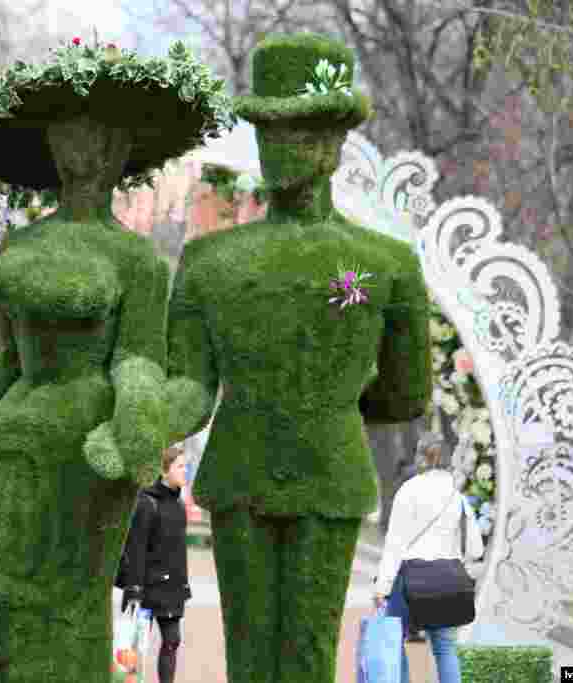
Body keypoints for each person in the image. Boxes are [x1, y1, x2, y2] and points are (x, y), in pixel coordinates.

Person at [0, 40, 233, 683]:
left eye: (99, 136)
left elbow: (138, 360)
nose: (83, 149)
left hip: (88, 448)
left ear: (122, 152)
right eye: (69, 134)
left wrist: (135, 423)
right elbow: (6, 364)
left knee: (72, 598)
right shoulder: (21, 243)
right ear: (52, 144)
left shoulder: (137, 260)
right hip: (14, 436)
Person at [163, 33, 432, 683]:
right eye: (270, 130)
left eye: (300, 130)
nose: (282, 146)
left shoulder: (386, 264)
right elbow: (188, 391)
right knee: (259, 653)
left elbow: (408, 393)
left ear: (335, 142)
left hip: (322, 478)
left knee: (297, 652)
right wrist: (138, 415)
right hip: (248, 478)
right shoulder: (207, 262)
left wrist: (335, 405)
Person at [374, 433, 485, 683]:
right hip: (448, 580)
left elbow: (394, 544)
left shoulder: (408, 490)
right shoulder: (456, 495)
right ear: (446, 458)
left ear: (419, 457)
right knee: (445, 649)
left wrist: (382, 586)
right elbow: (476, 549)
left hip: (410, 580)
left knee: (394, 642)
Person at [118, 446, 193, 683]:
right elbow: (136, 549)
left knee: (172, 641)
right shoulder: (147, 503)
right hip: (147, 590)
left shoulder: (179, 506)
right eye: (180, 466)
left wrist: (183, 585)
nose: (185, 471)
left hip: (172, 590)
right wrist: (134, 589)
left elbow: (177, 552)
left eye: (186, 466)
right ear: (164, 470)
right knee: (135, 648)